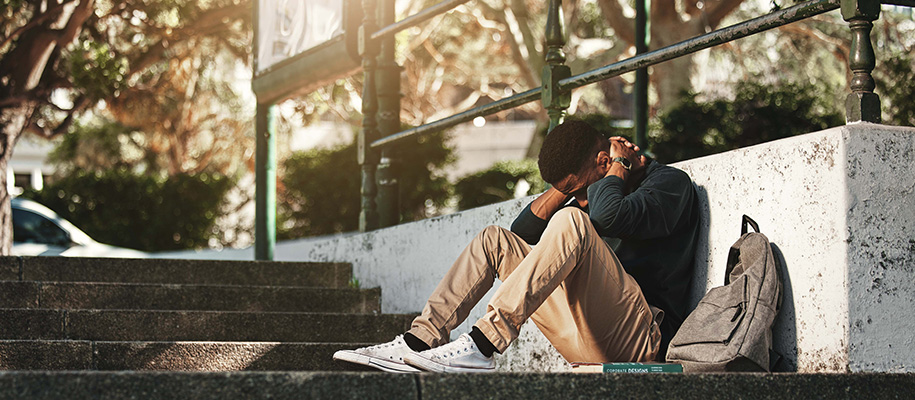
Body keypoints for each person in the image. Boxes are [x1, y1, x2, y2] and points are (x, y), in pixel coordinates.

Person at [334, 120, 700, 373]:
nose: (576, 198)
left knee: (570, 221)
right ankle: (417, 342)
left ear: (604, 163)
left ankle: (483, 345)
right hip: (585, 335)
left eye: (576, 188)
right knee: (495, 240)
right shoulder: (593, 192)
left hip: (643, 341)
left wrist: (617, 166)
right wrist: (568, 185)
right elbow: (522, 230)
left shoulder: (668, 185)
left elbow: (609, 216)